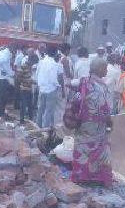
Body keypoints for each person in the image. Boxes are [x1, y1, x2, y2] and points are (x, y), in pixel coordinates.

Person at [71, 58, 113, 188]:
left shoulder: (84, 83)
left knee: (82, 149)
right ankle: (98, 178)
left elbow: (75, 101)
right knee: (100, 151)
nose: (106, 70)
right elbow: (106, 109)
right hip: (96, 127)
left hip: (82, 125)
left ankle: (80, 176)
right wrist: (109, 125)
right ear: (99, 69)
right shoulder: (101, 88)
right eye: (105, 68)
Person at [36, 46, 62, 128]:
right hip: (51, 89)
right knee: (48, 111)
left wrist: (39, 84)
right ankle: (45, 129)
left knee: (40, 109)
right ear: (54, 53)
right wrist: (59, 85)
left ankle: (37, 126)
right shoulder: (55, 64)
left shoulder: (41, 61)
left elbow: (37, 74)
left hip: (42, 88)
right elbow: (53, 79)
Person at [0, 44, 16, 118]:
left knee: (2, 96)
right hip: (3, 78)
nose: (14, 52)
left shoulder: (5, 53)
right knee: (3, 97)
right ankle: (1, 113)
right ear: (12, 48)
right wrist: (11, 73)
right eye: (14, 50)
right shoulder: (6, 54)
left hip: (2, 77)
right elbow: (5, 65)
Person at [18, 60, 34, 124]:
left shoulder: (30, 67)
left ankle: (31, 119)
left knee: (30, 105)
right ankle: (21, 120)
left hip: (29, 89)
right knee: (23, 105)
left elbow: (29, 78)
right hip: (24, 89)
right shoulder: (23, 67)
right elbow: (18, 77)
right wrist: (25, 82)